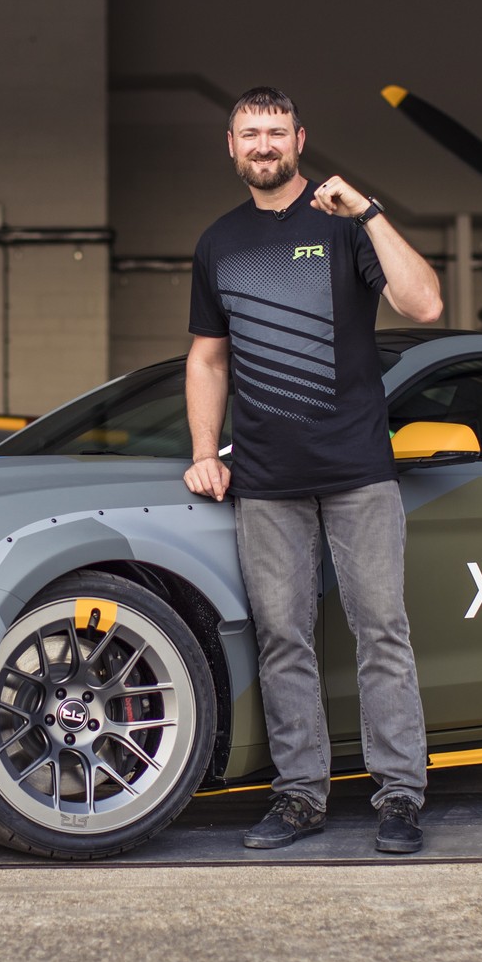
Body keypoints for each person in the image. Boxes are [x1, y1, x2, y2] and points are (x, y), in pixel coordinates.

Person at [183, 86, 443, 854]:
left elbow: (424, 304)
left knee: (381, 634)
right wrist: (204, 452)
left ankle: (399, 798)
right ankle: (300, 798)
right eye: (248, 134)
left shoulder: (343, 225)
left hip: (360, 470)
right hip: (264, 479)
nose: (263, 145)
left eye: (275, 132)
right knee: (283, 641)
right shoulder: (219, 241)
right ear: (231, 148)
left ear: (301, 138)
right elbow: (208, 357)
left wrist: (367, 211)